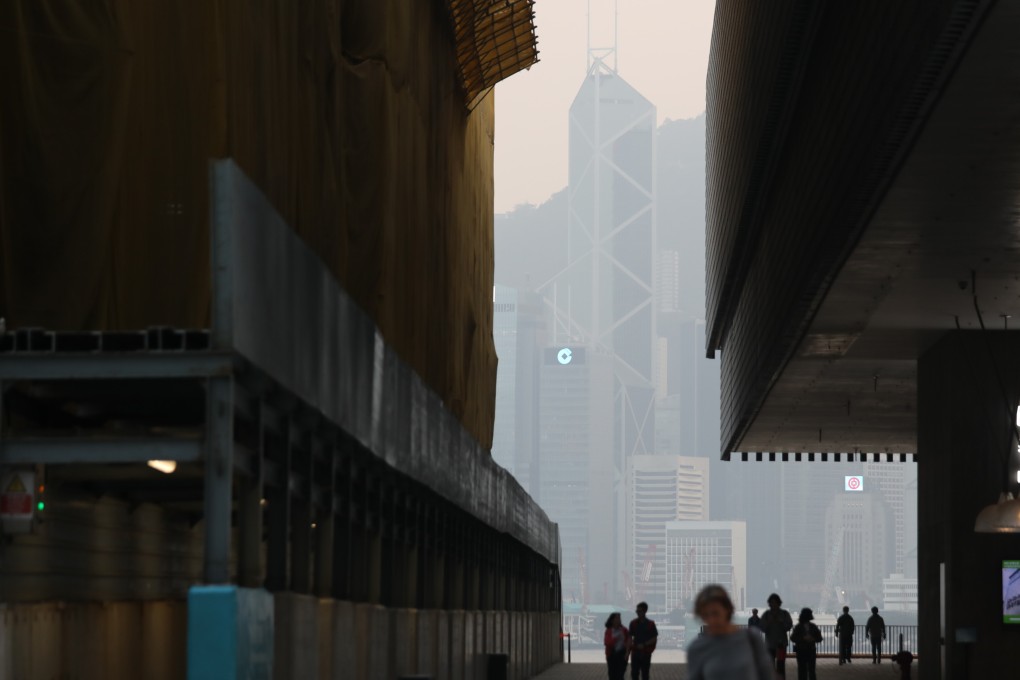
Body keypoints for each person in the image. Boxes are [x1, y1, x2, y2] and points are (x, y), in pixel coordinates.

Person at [686, 584, 773, 680]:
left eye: (716, 613)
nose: (711, 620)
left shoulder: (752, 639)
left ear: (727, 609)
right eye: (705, 615)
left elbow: (767, 675)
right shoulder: (697, 648)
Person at [759, 593, 793, 678]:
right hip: (769, 645)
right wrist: (769, 623)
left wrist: (782, 622)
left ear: (779, 603)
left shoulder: (784, 614)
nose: (773, 604)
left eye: (775, 602)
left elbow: (789, 626)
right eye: (771, 602)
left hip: (781, 645)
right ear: (769, 604)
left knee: (781, 666)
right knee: (770, 667)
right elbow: (762, 628)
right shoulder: (766, 614)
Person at [628, 601, 658, 680]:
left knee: (645, 674)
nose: (637, 613)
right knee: (634, 674)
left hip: (646, 653)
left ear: (645, 611)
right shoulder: (633, 623)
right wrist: (627, 652)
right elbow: (629, 638)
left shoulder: (651, 624)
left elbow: (654, 638)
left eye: (639, 611)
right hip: (635, 653)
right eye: (637, 611)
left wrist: (644, 644)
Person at [789, 608, 822, 680]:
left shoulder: (798, 626)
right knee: (811, 670)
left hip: (801, 650)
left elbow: (792, 638)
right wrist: (812, 639)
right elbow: (819, 638)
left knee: (802, 670)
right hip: (810, 650)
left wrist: (802, 639)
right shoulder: (813, 626)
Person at [604, 612, 631, 680]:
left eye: (619, 618)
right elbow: (607, 643)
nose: (619, 620)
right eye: (617, 618)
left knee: (620, 675)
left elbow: (629, 641)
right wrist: (616, 638)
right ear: (612, 620)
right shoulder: (609, 631)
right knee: (612, 675)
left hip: (622, 655)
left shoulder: (624, 630)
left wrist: (627, 653)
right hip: (611, 655)